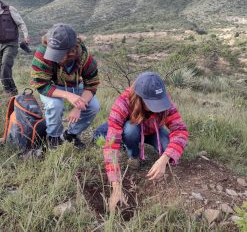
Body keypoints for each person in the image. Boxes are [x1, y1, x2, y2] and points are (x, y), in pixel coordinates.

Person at [96, 72, 188, 211]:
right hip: (133, 129)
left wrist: (164, 158)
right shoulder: (122, 103)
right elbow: (110, 147)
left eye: (159, 103)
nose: (156, 107)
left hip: (153, 132)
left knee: (167, 149)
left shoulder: (165, 100)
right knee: (129, 131)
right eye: (151, 103)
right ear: (139, 98)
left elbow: (180, 130)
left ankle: (161, 156)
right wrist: (116, 187)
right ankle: (133, 154)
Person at [30, 23, 100, 149]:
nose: (55, 58)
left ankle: (70, 135)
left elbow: (92, 83)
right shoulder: (42, 53)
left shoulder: (84, 56)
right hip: (52, 87)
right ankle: (53, 137)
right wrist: (68, 95)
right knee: (55, 105)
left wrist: (78, 106)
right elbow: (41, 84)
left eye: (59, 54)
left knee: (93, 106)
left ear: (72, 50)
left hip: (76, 86)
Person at [0, 0, 29, 96]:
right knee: (3, 70)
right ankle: (12, 91)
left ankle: (9, 92)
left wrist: (26, 36)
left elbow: (21, 24)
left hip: (11, 43)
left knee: (5, 66)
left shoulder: (10, 9)